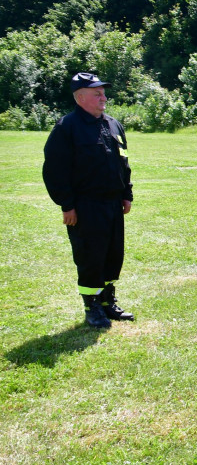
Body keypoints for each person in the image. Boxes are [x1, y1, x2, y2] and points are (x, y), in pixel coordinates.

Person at [42, 72, 135, 328]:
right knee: (90, 256)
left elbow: (123, 162)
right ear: (80, 97)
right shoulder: (67, 128)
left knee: (112, 254)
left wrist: (126, 193)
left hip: (113, 204)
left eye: (103, 92)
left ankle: (107, 302)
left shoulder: (113, 125)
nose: (103, 97)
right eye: (97, 93)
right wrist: (67, 205)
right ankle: (91, 306)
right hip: (85, 207)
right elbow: (54, 170)